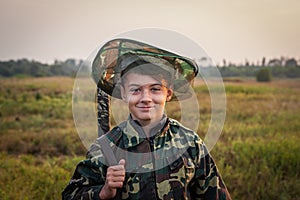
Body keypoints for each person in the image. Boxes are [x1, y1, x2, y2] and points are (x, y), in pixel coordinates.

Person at [62, 38, 231, 200]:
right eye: (136, 90)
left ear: (168, 93)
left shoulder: (190, 143)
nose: (146, 98)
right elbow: (71, 195)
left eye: (155, 89)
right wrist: (104, 191)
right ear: (123, 93)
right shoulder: (106, 147)